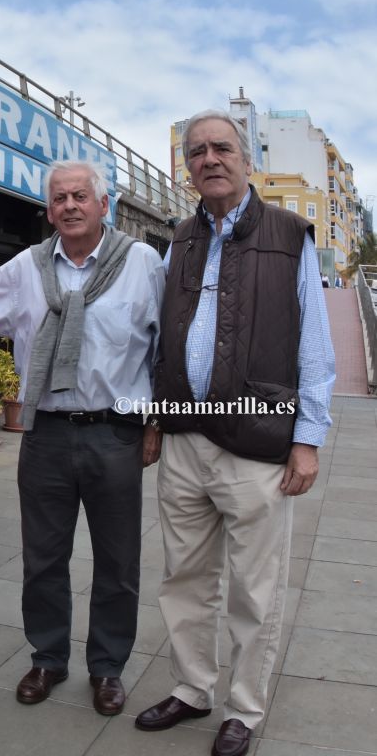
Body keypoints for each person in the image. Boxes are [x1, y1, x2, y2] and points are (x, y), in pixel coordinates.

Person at [136, 110, 335, 756]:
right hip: (186, 442)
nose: (210, 159)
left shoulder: (288, 234)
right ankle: (193, 689)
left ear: (245, 159)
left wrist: (307, 438)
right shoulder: (180, 239)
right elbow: (164, 338)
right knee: (185, 578)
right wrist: (156, 419)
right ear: (187, 167)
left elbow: (316, 349)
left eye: (222, 148)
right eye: (197, 152)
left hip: (258, 445)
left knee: (257, 587)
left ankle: (243, 710)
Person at [0, 160, 164, 716]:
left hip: (116, 433)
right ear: (48, 210)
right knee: (43, 558)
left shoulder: (143, 263)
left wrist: (156, 423)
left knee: (118, 562)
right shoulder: (26, 268)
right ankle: (48, 658)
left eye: (81, 195)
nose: (70, 205)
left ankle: (108, 668)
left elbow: (164, 349)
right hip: (46, 434)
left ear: (105, 205)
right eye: (59, 199)